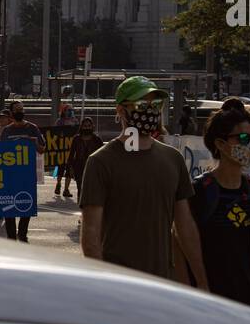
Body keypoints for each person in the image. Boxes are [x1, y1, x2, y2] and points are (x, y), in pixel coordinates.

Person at [79, 76, 209, 287]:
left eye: (156, 104)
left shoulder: (173, 159)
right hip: (120, 285)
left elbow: (185, 227)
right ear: (121, 110)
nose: (151, 110)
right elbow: (91, 236)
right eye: (142, 104)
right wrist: (103, 289)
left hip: (164, 285)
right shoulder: (100, 162)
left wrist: (203, 282)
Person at [187, 99, 250, 307]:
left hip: (246, 297)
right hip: (208, 298)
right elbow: (180, 246)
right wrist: (200, 288)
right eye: (242, 138)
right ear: (220, 144)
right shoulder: (200, 189)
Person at [1, 101, 46, 243]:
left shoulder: (32, 128)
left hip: (27, 174)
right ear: (12, 113)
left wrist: (34, 142)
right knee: (9, 205)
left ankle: (23, 234)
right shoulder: (7, 130)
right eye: (16, 109)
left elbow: (42, 149)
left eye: (21, 109)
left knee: (26, 203)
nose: (20, 111)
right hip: (10, 173)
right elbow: (0, 152)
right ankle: (11, 237)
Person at [66, 116, 104, 200]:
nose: (87, 127)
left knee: (92, 186)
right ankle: (81, 204)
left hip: (93, 167)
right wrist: (70, 168)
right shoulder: (76, 139)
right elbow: (71, 154)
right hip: (79, 166)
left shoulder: (97, 139)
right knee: (80, 186)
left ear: (92, 127)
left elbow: (102, 154)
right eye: (85, 126)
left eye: (89, 126)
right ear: (81, 127)